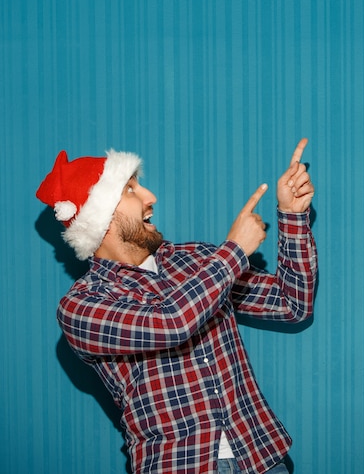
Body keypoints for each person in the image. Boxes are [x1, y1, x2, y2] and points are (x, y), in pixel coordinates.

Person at [36, 138, 317, 474]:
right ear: (101, 217)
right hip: (178, 466)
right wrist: (234, 252)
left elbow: (291, 303)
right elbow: (172, 323)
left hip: (262, 458)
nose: (150, 196)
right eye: (130, 189)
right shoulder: (81, 306)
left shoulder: (196, 260)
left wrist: (292, 217)